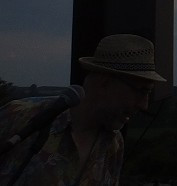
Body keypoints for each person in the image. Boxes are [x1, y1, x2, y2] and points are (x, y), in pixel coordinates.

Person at [0, 33, 165, 185]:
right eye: (142, 91)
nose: (144, 105)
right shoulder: (19, 115)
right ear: (105, 81)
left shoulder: (114, 144)